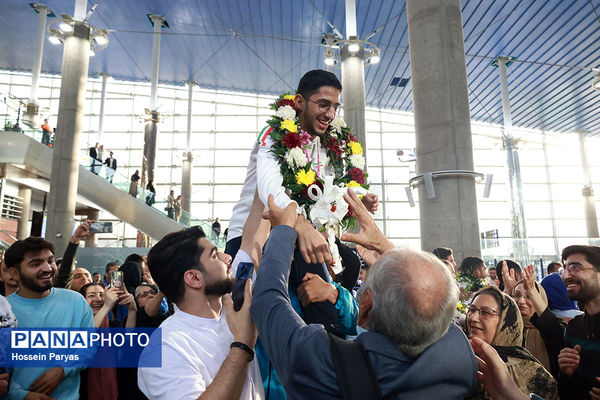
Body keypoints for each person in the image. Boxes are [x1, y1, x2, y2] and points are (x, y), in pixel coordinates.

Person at [251, 191, 477, 399]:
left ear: (366, 305)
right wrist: (387, 248)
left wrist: (283, 230)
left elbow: (268, 299)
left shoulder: (323, 363)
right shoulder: (459, 362)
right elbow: (432, 303)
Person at [137, 226, 263, 399]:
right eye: (214, 255)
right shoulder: (164, 349)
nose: (227, 257)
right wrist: (242, 345)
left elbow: (253, 239)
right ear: (194, 278)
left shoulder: (232, 303)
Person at [4, 236, 94, 399]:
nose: (47, 268)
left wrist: (63, 369)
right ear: (14, 273)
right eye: (35, 264)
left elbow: (89, 346)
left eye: (50, 261)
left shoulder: (75, 301)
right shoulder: (4, 310)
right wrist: (20, 395)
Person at [521, 246, 600, 399]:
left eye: (575, 268)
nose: (565, 276)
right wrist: (567, 373)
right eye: (564, 269)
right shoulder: (574, 329)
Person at [464, 286, 557, 399]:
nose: (473, 318)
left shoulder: (532, 373)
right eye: (472, 310)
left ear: (506, 322)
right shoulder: (459, 358)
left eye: (485, 312)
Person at [511, 279, 555, 376]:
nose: (521, 301)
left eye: (529, 296)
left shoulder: (552, 329)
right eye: (517, 295)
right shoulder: (509, 329)